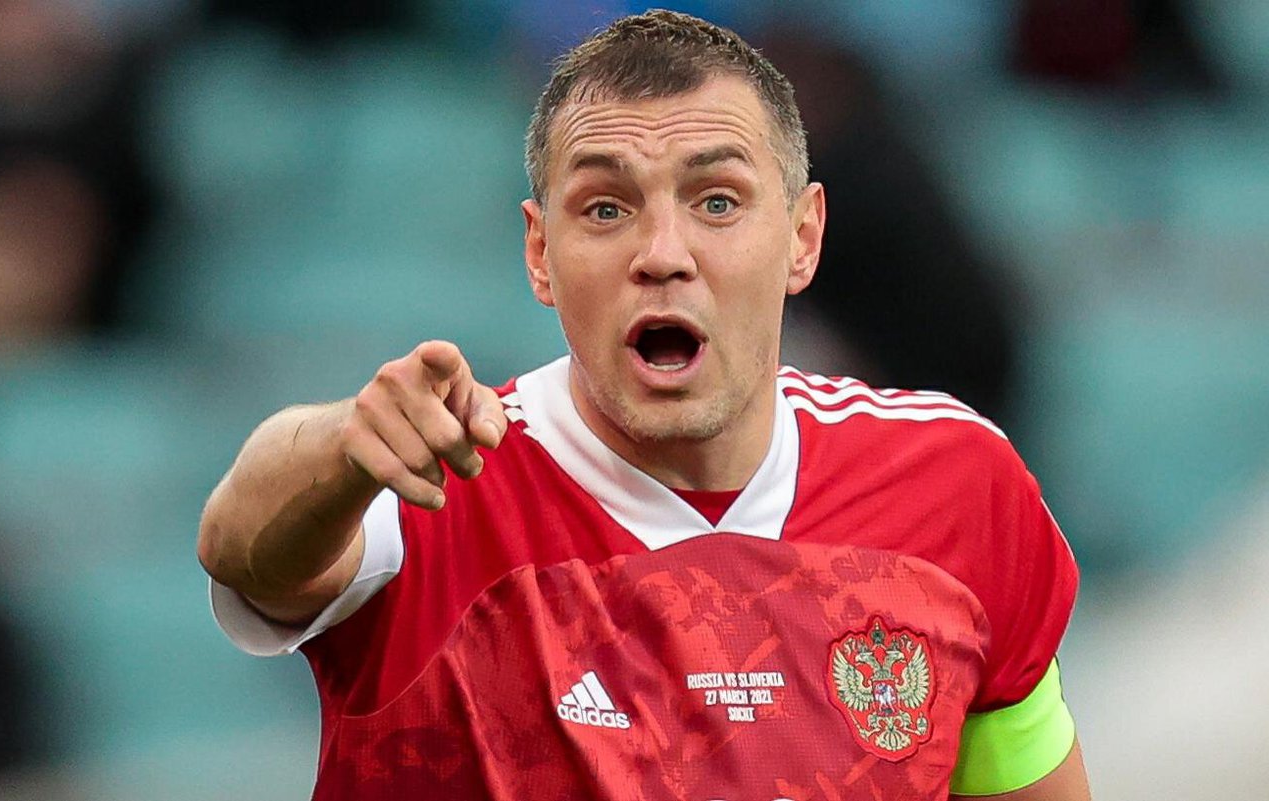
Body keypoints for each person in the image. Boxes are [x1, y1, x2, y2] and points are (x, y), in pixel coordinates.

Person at [197, 11, 1089, 800]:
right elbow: (242, 550)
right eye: (605, 208)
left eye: (717, 201)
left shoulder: (957, 487)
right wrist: (343, 448)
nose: (663, 252)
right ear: (540, 254)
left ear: (802, 237)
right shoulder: (436, 480)